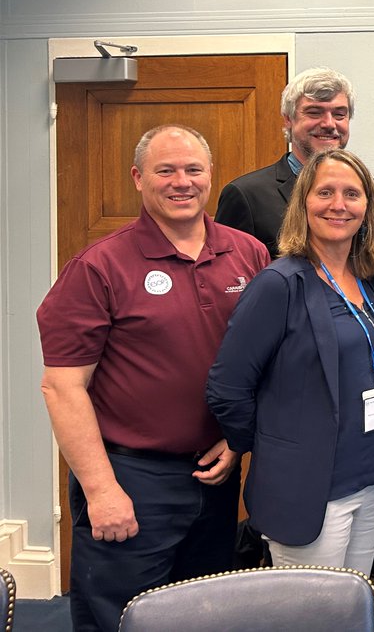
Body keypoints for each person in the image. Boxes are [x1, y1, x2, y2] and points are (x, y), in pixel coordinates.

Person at [37, 124, 270, 632]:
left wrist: (238, 440)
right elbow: (62, 386)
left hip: (215, 477)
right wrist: (101, 490)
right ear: (139, 179)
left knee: (204, 616)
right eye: (165, 170)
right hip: (130, 480)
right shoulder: (99, 267)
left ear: (211, 176)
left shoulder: (248, 254)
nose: (181, 182)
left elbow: (264, 363)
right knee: (119, 619)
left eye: (193, 170)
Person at [206, 148, 374, 573]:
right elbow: (228, 384)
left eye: (352, 194)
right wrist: (269, 445)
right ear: (303, 203)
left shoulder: (367, 279)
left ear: (368, 208)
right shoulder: (279, 283)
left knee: (353, 606)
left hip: (370, 480)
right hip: (308, 488)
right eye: (324, 192)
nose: (338, 205)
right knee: (309, 613)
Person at [214, 66, 374, 257]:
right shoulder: (246, 196)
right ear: (288, 120)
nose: (329, 124)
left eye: (339, 114)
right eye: (314, 112)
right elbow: (227, 276)